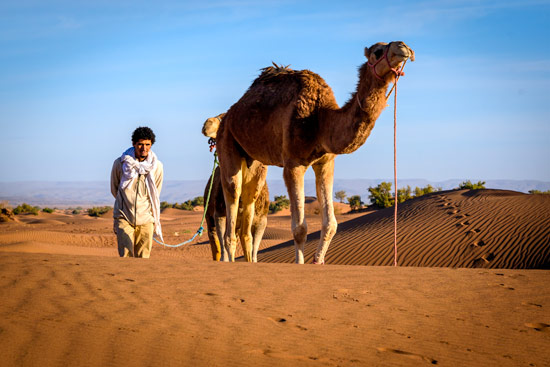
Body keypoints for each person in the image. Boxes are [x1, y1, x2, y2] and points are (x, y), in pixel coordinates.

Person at [110, 126, 164, 258]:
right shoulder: (120, 163)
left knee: (143, 258)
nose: (144, 148)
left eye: (147, 144)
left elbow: (156, 192)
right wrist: (123, 205)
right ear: (134, 144)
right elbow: (115, 188)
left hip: (146, 218)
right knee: (126, 257)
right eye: (140, 144)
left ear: (151, 145)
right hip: (124, 216)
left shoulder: (157, 167)